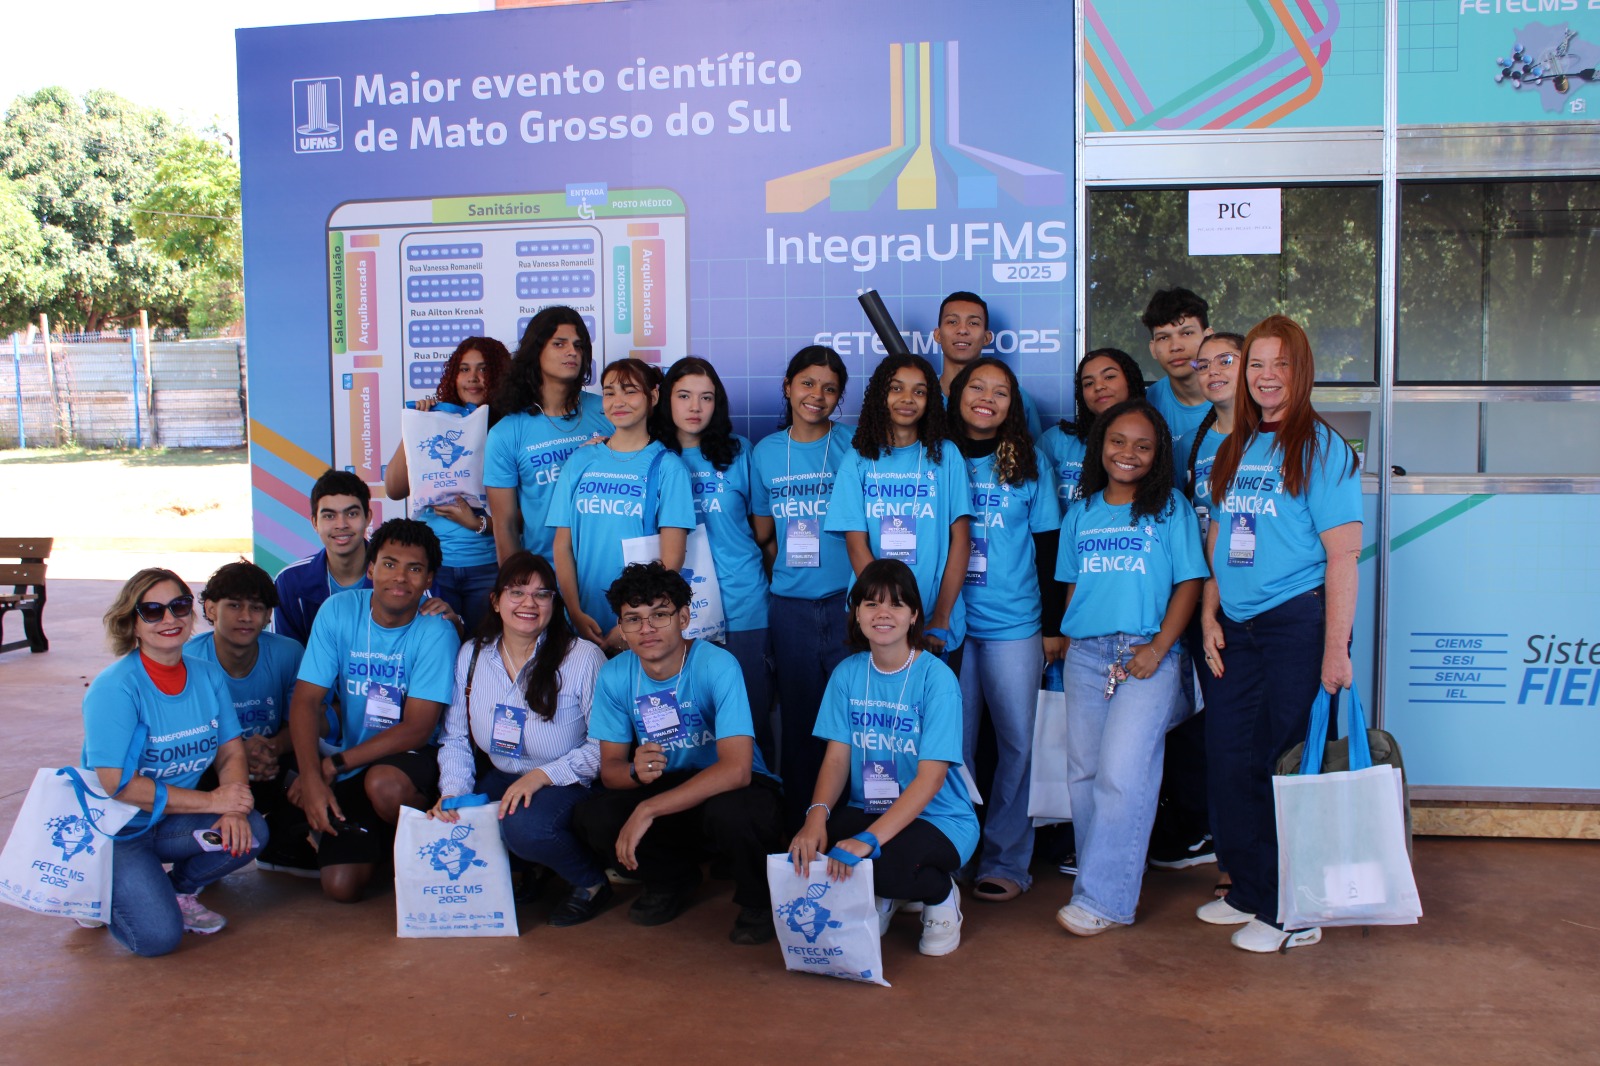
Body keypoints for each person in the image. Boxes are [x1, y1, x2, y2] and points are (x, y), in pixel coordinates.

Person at [1197, 315, 1362, 953]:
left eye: (1280, 365)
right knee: (1231, 759)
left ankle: (1297, 910)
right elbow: (1222, 536)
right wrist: (1211, 610)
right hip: (1237, 626)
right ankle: (1251, 891)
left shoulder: (1322, 447)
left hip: (1297, 621)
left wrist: (1335, 650)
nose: (1267, 378)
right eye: (1256, 365)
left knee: (1287, 764)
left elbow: (1343, 557)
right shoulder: (1237, 445)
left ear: (1302, 371)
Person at [1053, 400, 1206, 937]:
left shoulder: (1172, 509)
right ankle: (1104, 881)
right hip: (1087, 654)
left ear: (1159, 454)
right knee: (1085, 775)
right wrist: (1072, 643)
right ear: (1101, 445)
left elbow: (1190, 582)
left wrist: (1160, 647)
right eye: (1118, 441)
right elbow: (1073, 587)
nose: (1128, 454)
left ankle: (1106, 899)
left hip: (1147, 653)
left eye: (1143, 446)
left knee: (1123, 774)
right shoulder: (1083, 511)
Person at [571, 562, 784, 945]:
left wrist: (648, 808)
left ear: (684, 616)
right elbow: (610, 771)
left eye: (660, 614)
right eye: (633, 619)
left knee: (737, 813)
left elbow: (737, 770)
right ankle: (671, 880)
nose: (646, 629)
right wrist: (634, 773)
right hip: (668, 785)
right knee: (595, 815)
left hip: (729, 788)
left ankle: (759, 901)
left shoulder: (717, 664)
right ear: (620, 626)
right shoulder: (616, 674)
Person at [788, 558, 978, 957]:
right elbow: (837, 759)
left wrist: (868, 841)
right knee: (816, 850)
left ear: (913, 616)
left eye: (895, 604)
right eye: (871, 604)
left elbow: (930, 780)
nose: (883, 614)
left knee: (880, 861)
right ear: (855, 614)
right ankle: (889, 893)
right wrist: (815, 816)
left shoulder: (936, 678)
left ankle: (940, 897)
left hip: (940, 817)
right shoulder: (847, 673)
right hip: (870, 805)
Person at [82, 568, 266, 956]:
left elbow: (230, 750)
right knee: (156, 939)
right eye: (152, 611)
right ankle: (97, 886)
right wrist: (216, 803)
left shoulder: (206, 675)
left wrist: (233, 808)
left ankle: (178, 890)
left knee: (251, 830)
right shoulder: (115, 688)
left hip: (169, 824)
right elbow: (118, 784)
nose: (169, 619)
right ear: (131, 622)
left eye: (179, 606)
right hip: (118, 831)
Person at [430, 552, 611, 926]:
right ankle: (538, 868)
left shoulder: (583, 658)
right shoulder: (473, 654)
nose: (529, 603)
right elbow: (456, 737)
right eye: (516, 592)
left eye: (542, 594)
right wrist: (453, 792)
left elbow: (605, 748)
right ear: (496, 601)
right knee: (461, 821)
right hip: (502, 773)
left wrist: (543, 776)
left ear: (553, 604)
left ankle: (590, 882)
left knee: (524, 827)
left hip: (569, 780)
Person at [288, 519, 461, 902]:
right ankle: (383, 838)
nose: (400, 578)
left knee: (384, 786)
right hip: (355, 762)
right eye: (389, 563)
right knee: (340, 888)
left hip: (410, 761)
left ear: (429, 577)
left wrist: (331, 766)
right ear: (370, 567)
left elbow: (418, 728)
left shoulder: (435, 630)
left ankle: (427, 844)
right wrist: (311, 778)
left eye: (414, 568)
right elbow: (304, 701)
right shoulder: (337, 611)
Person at [946, 358, 1063, 903]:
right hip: (945, 623)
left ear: (1013, 404)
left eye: (1000, 391)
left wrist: (1054, 628)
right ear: (958, 393)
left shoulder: (1028, 462)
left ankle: (1006, 861)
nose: (987, 398)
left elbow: (1047, 550)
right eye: (977, 387)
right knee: (950, 746)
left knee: (1018, 743)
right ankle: (952, 853)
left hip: (1015, 623)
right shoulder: (935, 456)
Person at [1148, 332, 1247, 874]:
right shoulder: (1205, 437)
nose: (1211, 371)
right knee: (1209, 726)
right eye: (1203, 364)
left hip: (1259, 608)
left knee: (1249, 732)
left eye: (1225, 361)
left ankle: (1258, 865)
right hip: (1207, 603)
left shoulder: (1272, 437)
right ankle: (1219, 842)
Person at [750, 345, 855, 829]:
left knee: (851, 722)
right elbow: (765, 536)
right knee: (800, 724)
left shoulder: (854, 446)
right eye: (808, 383)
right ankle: (800, 831)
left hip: (846, 604)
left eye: (830, 388)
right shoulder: (766, 452)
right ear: (788, 387)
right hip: (790, 607)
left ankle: (850, 827)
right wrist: (790, 577)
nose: (818, 395)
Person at [653, 357, 772, 761]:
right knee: (684, 727)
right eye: (684, 396)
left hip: (742, 603)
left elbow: (761, 529)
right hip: (676, 608)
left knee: (748, 720)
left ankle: (758, 807)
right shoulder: (650, 456)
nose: (695, 407)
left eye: (706, 398)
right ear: (665, 399)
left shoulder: (741, 452)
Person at [824, 353, 973, 674]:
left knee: (934, 716)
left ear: (930, 400)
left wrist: (941, 617)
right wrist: (887, 614)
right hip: (876, 620)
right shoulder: (859, 458)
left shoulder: (946, 456)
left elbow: (961, 542)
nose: (908, 399)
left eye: (919, 391)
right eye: (896, 389)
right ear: (881, 395)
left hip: (936, 620)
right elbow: (856, 544)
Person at [548, 358, 696, 653]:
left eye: (629, 391)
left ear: (652, 397)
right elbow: (562, 545)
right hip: (581, 619)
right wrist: (575, 612)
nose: (618, 401)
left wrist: (631, 621)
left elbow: (671, 560)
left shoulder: (669, 467)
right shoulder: (580, 460)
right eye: (609, 392)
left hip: (642, 625)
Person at [183, 560, 313, 877]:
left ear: (269, 615)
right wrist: (241, 751)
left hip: (269, 760)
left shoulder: (288, 653)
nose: (245, 617)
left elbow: (301, 721)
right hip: (212, 767)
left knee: (313, 768)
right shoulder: (189, 660)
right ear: (210, 609)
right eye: (234, 606)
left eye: (256, 607)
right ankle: (195, 852)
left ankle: (281, 846)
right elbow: (187, 737)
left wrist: (270, 748)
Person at [384, 336, 513, 632]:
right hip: (434, 569)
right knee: (441, 650)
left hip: (487, 567)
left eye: (483, 369)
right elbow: (394, 488)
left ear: (500, 374)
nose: (473, 378)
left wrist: (476, 523)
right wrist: (418, 425)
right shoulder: (437, 421)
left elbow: (522, 522)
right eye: (464, 369)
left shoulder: (510, 429)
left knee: (483, 652)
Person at [484, 306, 613, 564]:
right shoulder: (506, 433)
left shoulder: (608, 411)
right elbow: (506, 526)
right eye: (559, 344)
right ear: (536, 351)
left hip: (610, 569)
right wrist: (519, 589)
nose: (572, 352)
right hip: (546, 577)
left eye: (578, 345)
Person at [1036, 348, 1147, 510]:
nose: (1099, 386)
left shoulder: (1151, 440)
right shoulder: (1055, 441)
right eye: (1088, 383)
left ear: (1130, 380)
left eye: (1109, 377)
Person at [273, 470, 374, 644]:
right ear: (314, 523)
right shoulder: (289, 581)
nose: (341, 525)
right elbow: (287, 659)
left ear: (368, 517)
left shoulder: (399, 575)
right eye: (329, 516)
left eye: (351, 514)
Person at [932, 291, 1043, 439]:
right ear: (938, 335)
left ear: (987, 337)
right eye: (952, 322)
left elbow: (1031, 455)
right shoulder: (923, 395)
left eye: (973, 323)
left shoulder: (1018, 398)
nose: (962, 330)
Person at [1141, 287, 1215, 445]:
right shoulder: (1144, 407)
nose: (1175, 346)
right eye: (1163, 338)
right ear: (1153, 349)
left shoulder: (1240, 397)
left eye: (1187, 333)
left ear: (1208, 337)